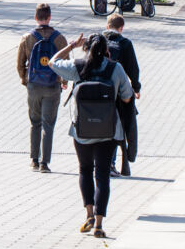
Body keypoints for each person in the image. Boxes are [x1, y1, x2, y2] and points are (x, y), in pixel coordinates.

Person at [48, 33, 134, 239]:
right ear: (107, 50)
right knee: (102, 175)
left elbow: (52, 62)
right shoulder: (116, 68)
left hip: (82, 132)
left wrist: (71, 46)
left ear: (85, 48)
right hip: (108, 132)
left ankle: (88, 213)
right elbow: (127, 96)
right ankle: (99, 224)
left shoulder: (78, 66)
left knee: (85, 170)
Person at [17, 3, 67, 172]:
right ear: (50, 17)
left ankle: (34, 159)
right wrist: (64, 81)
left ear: (35, 17)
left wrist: (26, 80)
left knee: (35, 122)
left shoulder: (27, 38)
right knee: (48, 124)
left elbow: (19, 64)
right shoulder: (60, 38)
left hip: (34, 86)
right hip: (52, 86)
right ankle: (45, 163)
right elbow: (66, 63)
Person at [103, 13, 140, 177]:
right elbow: (133, 68)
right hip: (117, 92)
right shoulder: (125, 43)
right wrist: (136, 87)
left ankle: (97, 161)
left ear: (106, 26)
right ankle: (110, 164)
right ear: (121, 28)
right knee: (116, 128)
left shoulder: (97, 40)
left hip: (95, 91)